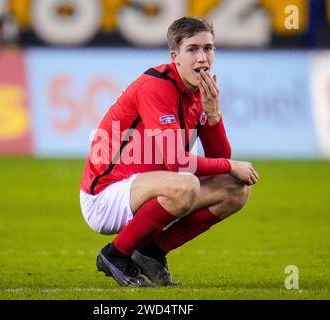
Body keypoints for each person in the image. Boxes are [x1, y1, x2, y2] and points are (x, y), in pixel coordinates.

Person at [79, 16, 259, 287]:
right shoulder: (157, 85)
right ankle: (115, 255)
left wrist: (213, 115)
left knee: (236, 190)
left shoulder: (200, 92)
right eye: (192, 49)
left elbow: (217, 156)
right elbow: (177, 162)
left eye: (208, 48)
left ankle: (151, 251)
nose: (202, 58)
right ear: (174, 56)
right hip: (106, 194)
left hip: (150, 188)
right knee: (186, 184)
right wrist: (231, 165)